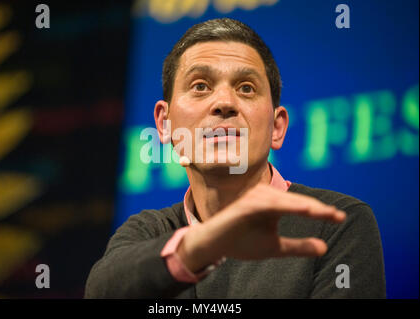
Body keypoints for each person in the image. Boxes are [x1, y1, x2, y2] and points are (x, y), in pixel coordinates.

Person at [85, 18, 386, 298]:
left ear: (277, 128)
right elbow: (101, 291)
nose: (225, 103)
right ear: (165, 124)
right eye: (200, 86)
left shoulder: (336, 223)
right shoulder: (148, 231)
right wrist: (200, 246)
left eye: (246, 88)